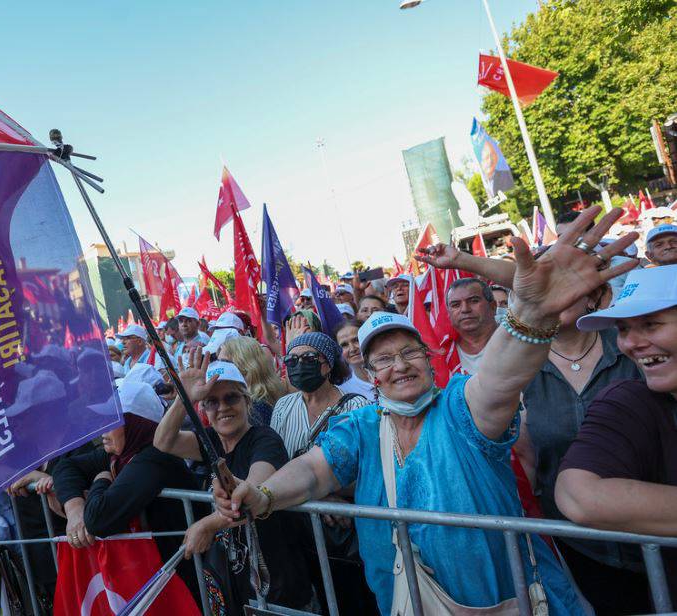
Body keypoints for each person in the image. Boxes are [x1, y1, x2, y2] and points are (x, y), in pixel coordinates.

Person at [217, 205, 636, 614]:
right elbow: (313, 470)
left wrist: (531, 315)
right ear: (371, 374)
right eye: (382, 359)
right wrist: (263, 494)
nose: (399, 365)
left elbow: (499, 380)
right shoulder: (360, 427)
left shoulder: (458, 405)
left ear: (429, 357)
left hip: (511, 601)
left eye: (409, 352)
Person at [420, 240, 648, 611]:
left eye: (566, 287)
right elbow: (523, 464)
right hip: (579, 543)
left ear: (591, 295)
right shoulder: (520, 372)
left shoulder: (629, 345)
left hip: (655, 533)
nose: (556, 295)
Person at [153, 353, 314, 612]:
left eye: (231, 398)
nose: (223, 408)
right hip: (235, 580)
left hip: (277, 581)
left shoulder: (265, 440)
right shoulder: (211, 442)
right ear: (203, 410)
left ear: (247, 401)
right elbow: (163, 442)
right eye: (211, 402)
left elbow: (249, 496)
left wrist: (206, 525)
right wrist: (185, 399)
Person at [556, 264, 677, 600]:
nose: (630, 344)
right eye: (623, 329)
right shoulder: (629, 399)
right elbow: (579, 496)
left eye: (651, 324)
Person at [50, 381, 201, 597]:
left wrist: (101, 480)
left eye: (112, 420)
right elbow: (67, 466)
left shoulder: (154, 458)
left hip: (184, 584)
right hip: (157, 578)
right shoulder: (121, 453)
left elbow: (98, 519)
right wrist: (74, 509)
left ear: (136, 423)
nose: (102, 427)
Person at [270, 332, 367, 458]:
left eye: (309, 358)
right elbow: (275, 457)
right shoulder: (283, 406)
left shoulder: (356, 407)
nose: (299, 365)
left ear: (328, 365)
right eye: (291, 360)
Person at [217, 336, 286, 426]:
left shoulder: (257, 407)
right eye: (218, 362)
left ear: (244, 365)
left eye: (224, 362)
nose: (219, 368)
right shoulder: (256, 399)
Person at [446, 278, 498, 375]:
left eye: (474, 301)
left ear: (493, 306)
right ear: (448, 314)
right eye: (456, 305)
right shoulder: (443, 352)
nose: (465, 309)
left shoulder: (515, 338)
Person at [334, 321, 376, 400]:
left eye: (356, 340)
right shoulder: (343, 391)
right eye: (344, 345)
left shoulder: (393, 371)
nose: (352, 349)